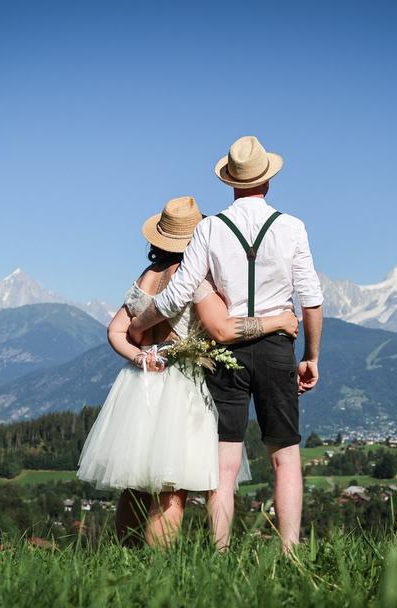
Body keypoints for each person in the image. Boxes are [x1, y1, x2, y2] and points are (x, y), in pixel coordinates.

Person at [129, 136, 324, 552]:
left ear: (231, 183)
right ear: (268, 182)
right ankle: (289, 552)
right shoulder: (292, 228)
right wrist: (311, 356)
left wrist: (139, 323)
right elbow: (311, 300)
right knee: (285, 457)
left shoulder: (211, 228)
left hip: (226, 353)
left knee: (225, 464)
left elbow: (179, 292)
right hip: (276, 347)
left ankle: (220, 553)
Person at [77, 195, 299, 548]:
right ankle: (157, 570)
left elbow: (115, 331)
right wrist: (279, 320)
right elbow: (223, 329)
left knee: (136, 482)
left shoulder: (148, 276)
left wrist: (140, 357)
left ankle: (123, 557)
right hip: (181, 386)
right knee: (171, 489)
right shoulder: (197, 279)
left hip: (141, 386)